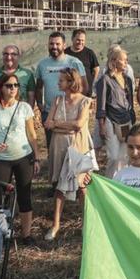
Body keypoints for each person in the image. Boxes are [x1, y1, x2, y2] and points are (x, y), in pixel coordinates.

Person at [0, 72, 39, 241]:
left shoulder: (24, 107)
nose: (13, 89)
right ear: (1, 88)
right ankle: (3, 232)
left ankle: (26, 234)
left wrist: (36, 157)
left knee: (24, 195)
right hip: (2, 160)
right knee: (0, 196)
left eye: (16, 85)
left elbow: (32, 134)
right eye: (9, 85)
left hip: (24, 157)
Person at [45, 68, 95, 241]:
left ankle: (87, 222)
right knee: (59, 187)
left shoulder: (86, 101)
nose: (58, 83)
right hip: (59, 145)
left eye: (61, 80)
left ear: (71, 82)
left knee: (82, 187)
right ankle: (56, 225)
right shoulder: (57, 100)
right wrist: (65, 125)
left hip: (77, 147)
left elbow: (79, 124)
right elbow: (48, 124)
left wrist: (58, 124)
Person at [95, 46, 136, 177]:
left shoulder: (127, 80)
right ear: (114, 61)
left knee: (124, 155)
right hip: (110, 120)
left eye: (126, 60)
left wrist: (132, 117)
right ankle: (111, 182)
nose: (126, 63)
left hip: (125, 120)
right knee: (113, 156)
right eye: (123, 60)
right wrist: (101, 126)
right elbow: (100, 105)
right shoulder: (105, 80)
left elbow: (130, 102)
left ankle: (122, 182)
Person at [36, 32, 88, 118]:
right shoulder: (42, 64)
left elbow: (84, 86)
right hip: (49, 113)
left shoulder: (74, 63)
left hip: (70, 113)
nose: (54, 47)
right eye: (51, 44)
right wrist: (39, 104)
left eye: (58, 44)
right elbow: (38, 87)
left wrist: (79, 107)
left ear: (64, 45)